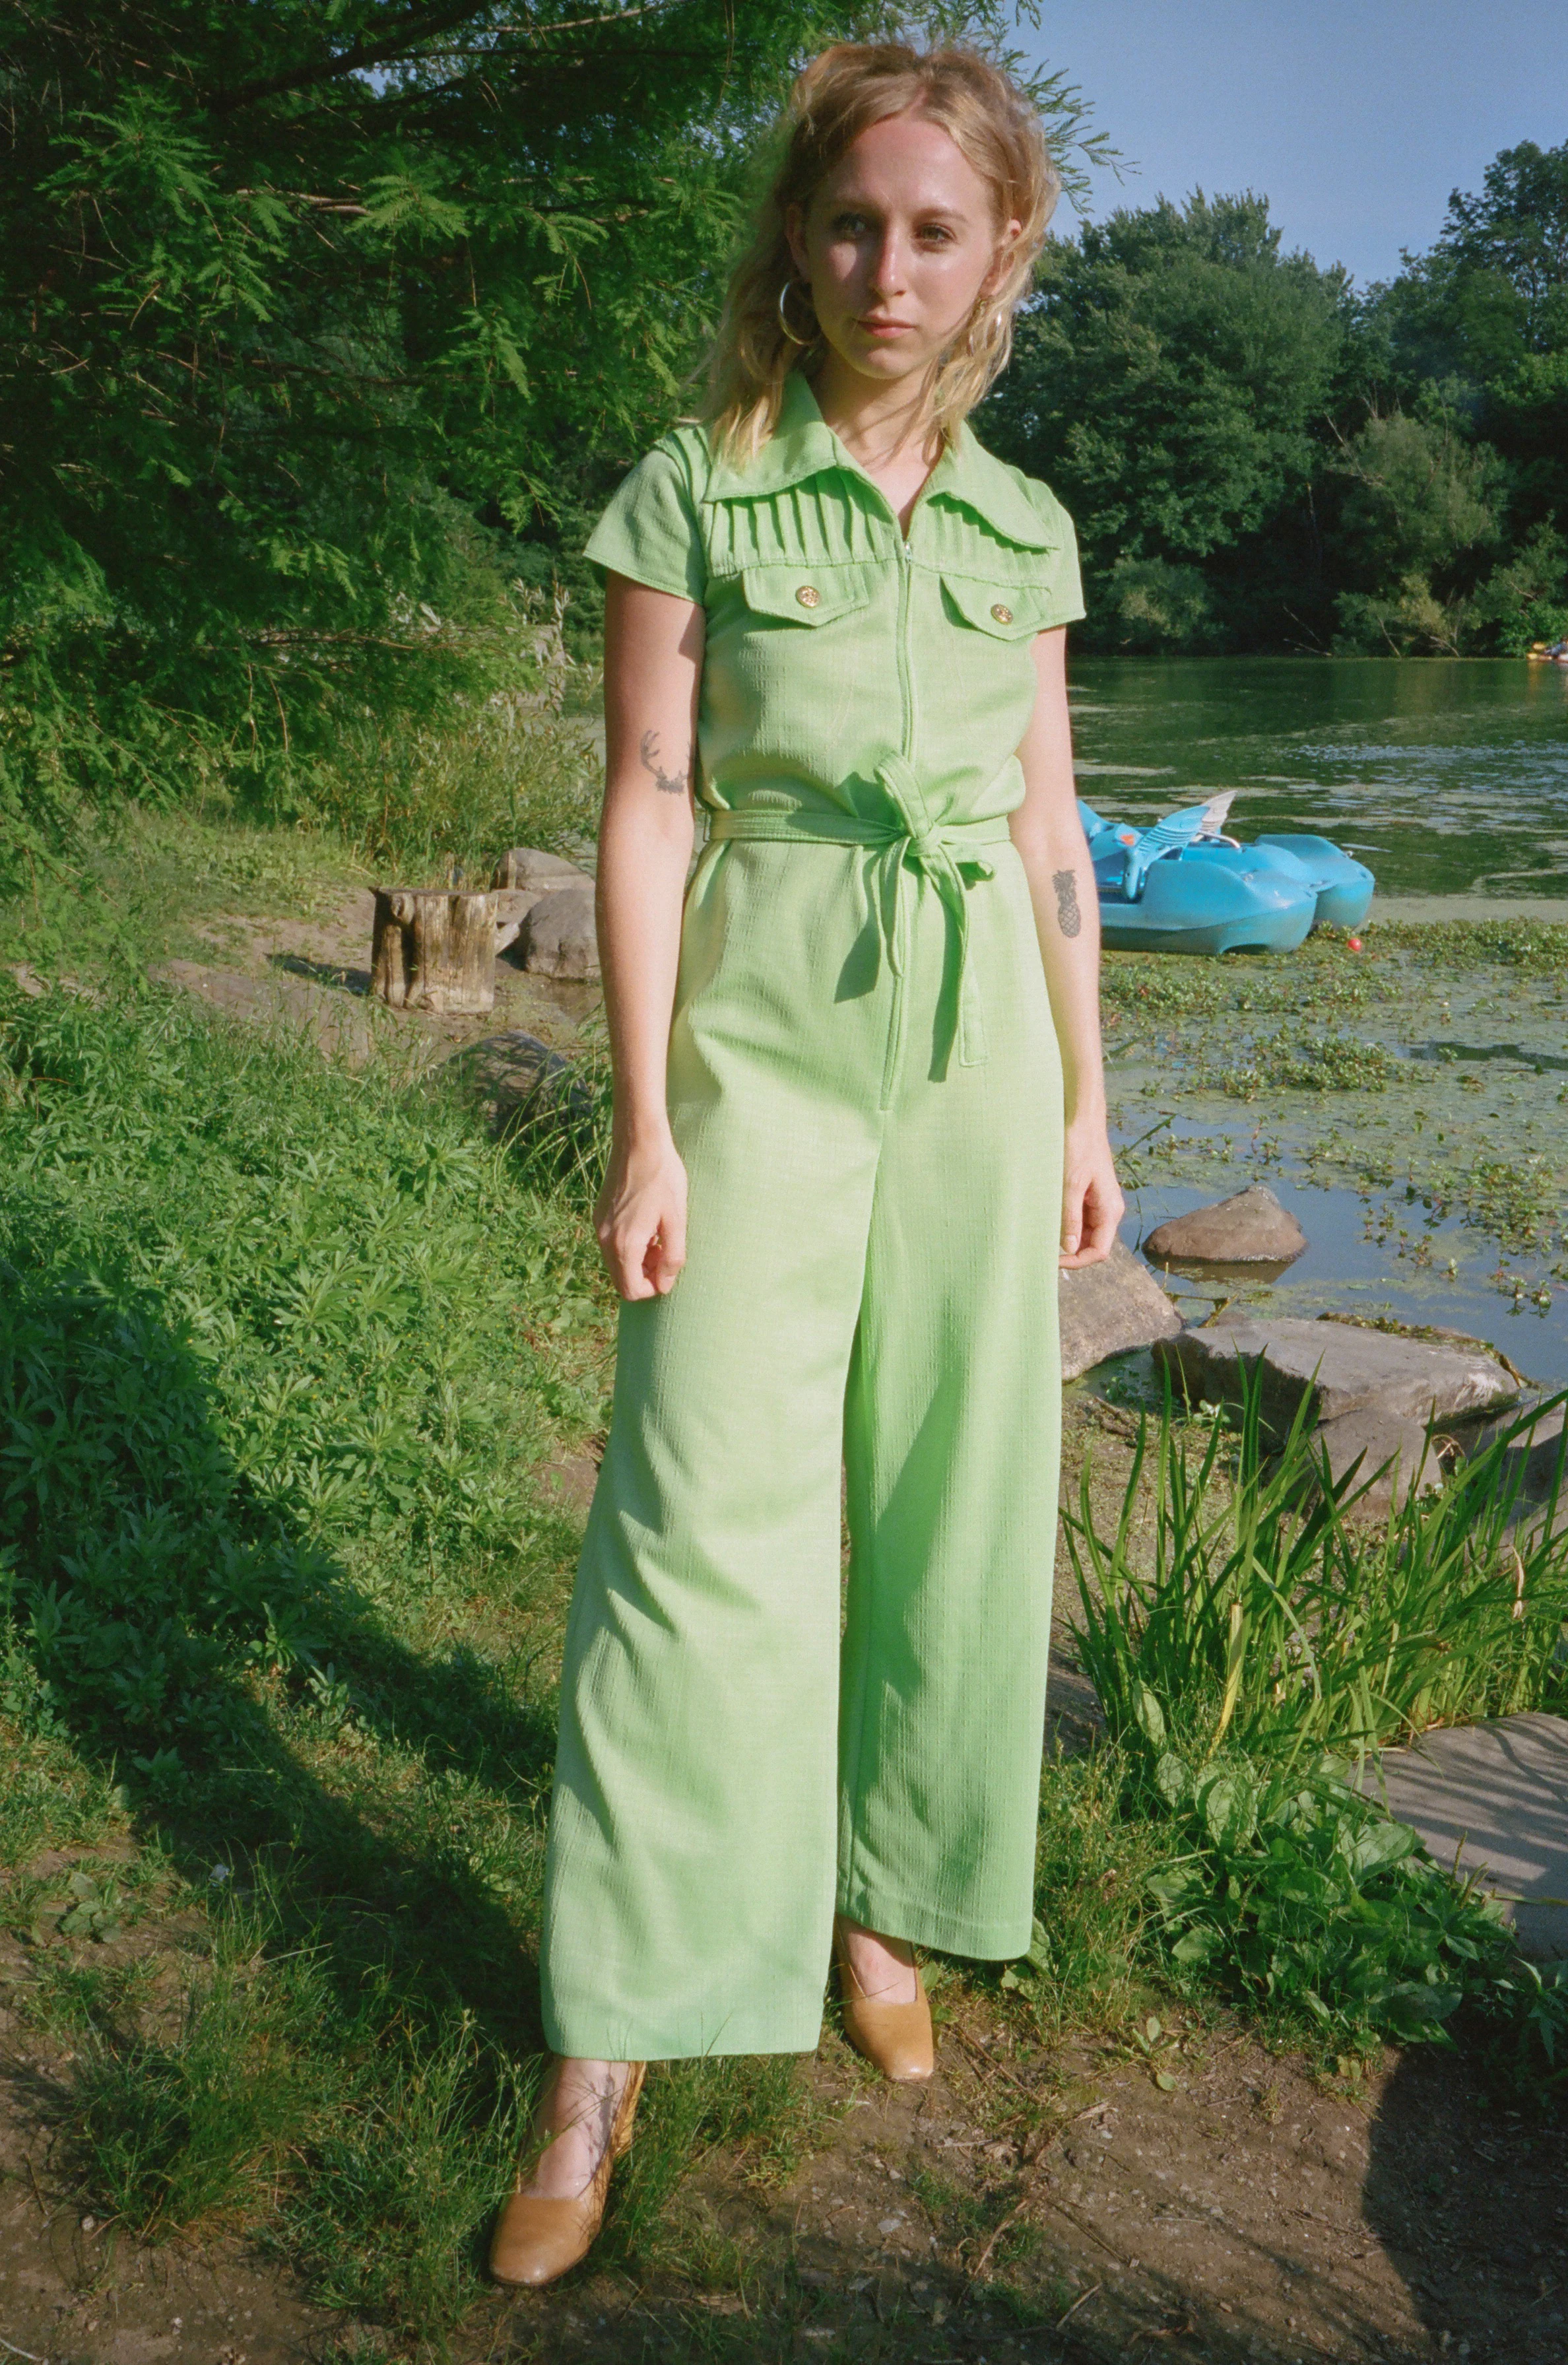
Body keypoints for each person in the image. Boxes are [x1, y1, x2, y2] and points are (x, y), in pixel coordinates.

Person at [489, 40, 1124, 2289]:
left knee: (949, 1496)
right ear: (799, 234)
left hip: (974, 1051)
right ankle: (610, 2036)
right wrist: (650, 1117)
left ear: (1001, 254)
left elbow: (1053, 833)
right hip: (765, 1035)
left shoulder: (1027, 523)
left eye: (934, 230)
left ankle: (883, 1900)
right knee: (697, 1516)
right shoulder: (696, 486)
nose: (886, 267)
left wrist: (1085, 1102)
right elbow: (649, 799)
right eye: (852, 223)